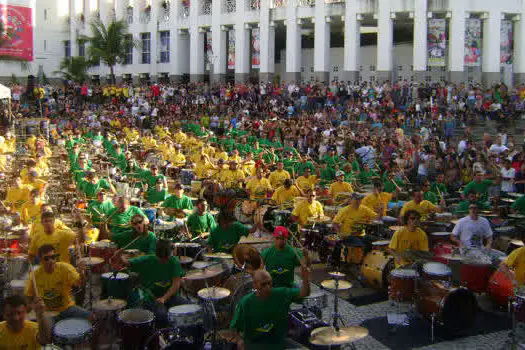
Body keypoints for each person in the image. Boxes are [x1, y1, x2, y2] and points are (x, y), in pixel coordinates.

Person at [230, 267, 311, 350]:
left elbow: (304, 293)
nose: (267, 287)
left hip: (278, 343)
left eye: (269, 283)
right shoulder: (245, 303)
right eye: (263, 284)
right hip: (254, 345)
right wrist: (239, 340)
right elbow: (235, 327)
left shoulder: (281, 294)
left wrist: (305, 279)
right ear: (254, 284)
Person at [115, 239, 186, 328]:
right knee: (162, 316)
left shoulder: (174, 261)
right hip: (152, 298)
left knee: (191, 308)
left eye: (166, 258)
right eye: (161, 258)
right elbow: (126, 263)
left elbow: (176, 284)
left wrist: (164, 298)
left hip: (170, 297)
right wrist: (119, 256)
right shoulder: (148, 260)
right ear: (156, 254)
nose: (163, 261)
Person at [26, 245, 92, 323]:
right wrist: (34, 305)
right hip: (48, 312)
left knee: (92, 317)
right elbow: (28, 298)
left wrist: (82, 273)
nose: (51, 261)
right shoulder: (35, 275)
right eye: (46, 258)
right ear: (40, 260)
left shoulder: (65, 268)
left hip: (67, 308)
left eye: (53, 257)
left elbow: (80, 283)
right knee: (47, 331)